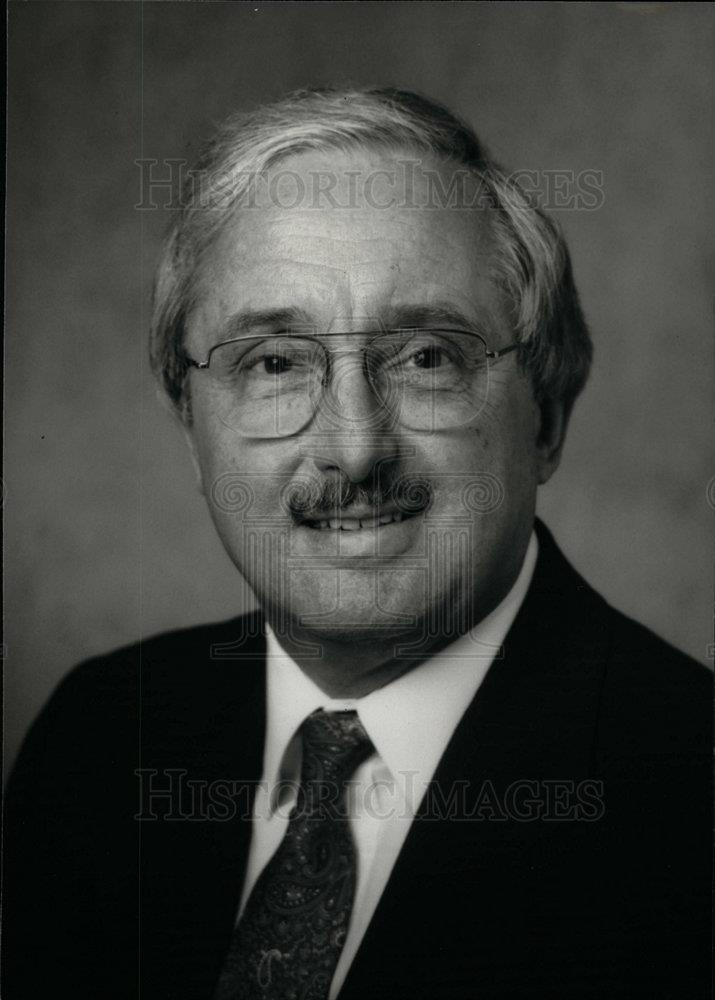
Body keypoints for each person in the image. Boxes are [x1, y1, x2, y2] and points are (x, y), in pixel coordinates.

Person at [3, 88, 710, 1000]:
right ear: (192, 430)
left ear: (547, 417)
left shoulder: (693, 796)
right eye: (274, 362)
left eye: (425, 357)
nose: (353, 446)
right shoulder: (99, 737)